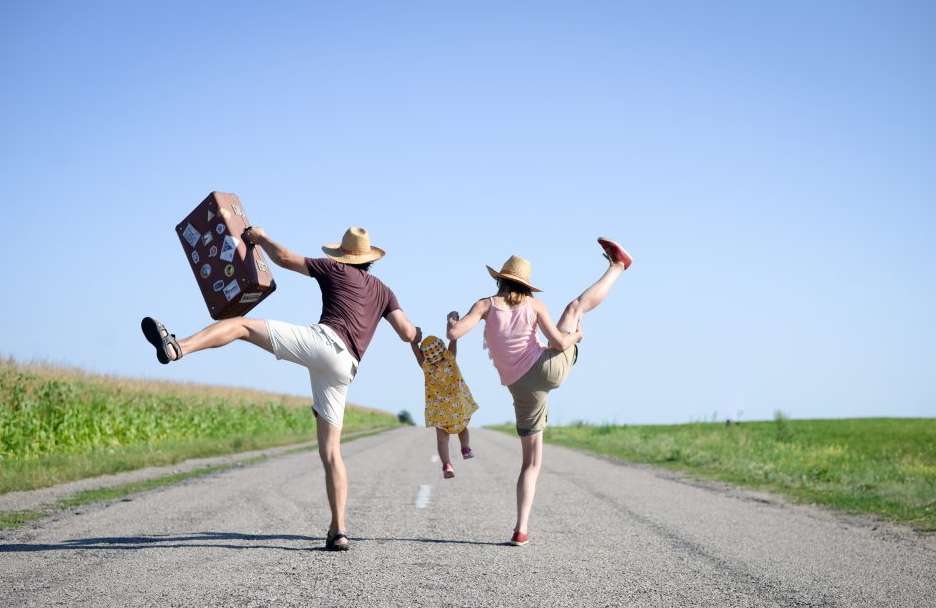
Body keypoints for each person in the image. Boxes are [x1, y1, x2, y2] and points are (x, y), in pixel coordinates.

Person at [141, 226, 422, 552]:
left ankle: (179, 347)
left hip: (324, 342)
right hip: (346, 367)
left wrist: (260, 238)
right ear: (369, 259)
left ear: (344, 255)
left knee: (242, 325)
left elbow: (285, 258)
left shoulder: (334, 268)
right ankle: (339, 531)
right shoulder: (384, 291)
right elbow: (406, 332)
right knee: (332, 453)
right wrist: (421, 338)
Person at [446, 238, 632, 546]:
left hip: (520, 388)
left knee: (530, 463)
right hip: (548, 369)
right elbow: (559, 343)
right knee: (575, 308)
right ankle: (617, 266)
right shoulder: (534, 305)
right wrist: (578, 335)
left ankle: (521, 530)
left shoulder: (484, 305)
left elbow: (454, 333)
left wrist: (451, 319)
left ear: (500, 281)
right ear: (526, 286)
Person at [410, 334, 478, 479]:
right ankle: (465, 448)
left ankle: (447, 464)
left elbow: (416, 353)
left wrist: (413, 340)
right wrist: (452, 327)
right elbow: (453, 340)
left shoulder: (426, 366)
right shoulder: (450, 360)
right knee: (463, 428)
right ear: (442, 348)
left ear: (425, 354)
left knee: (442, 440)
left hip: (439, 412)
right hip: (457, 407)